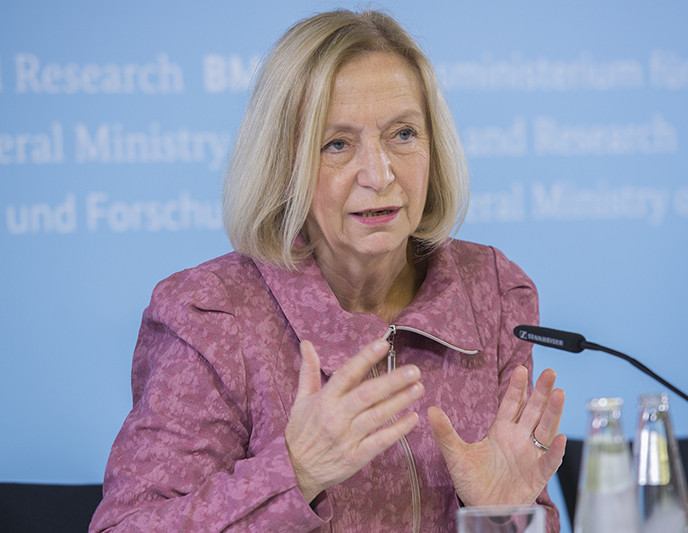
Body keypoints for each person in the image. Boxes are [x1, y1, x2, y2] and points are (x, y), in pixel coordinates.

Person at [90, 9, 566, 533]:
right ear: (286, 164)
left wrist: (500, 518)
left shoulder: (488, 293)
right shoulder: (213, 315)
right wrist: (295, 471)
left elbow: (518, 512)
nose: (379, 174)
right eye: (337, 144)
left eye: (402, 134)